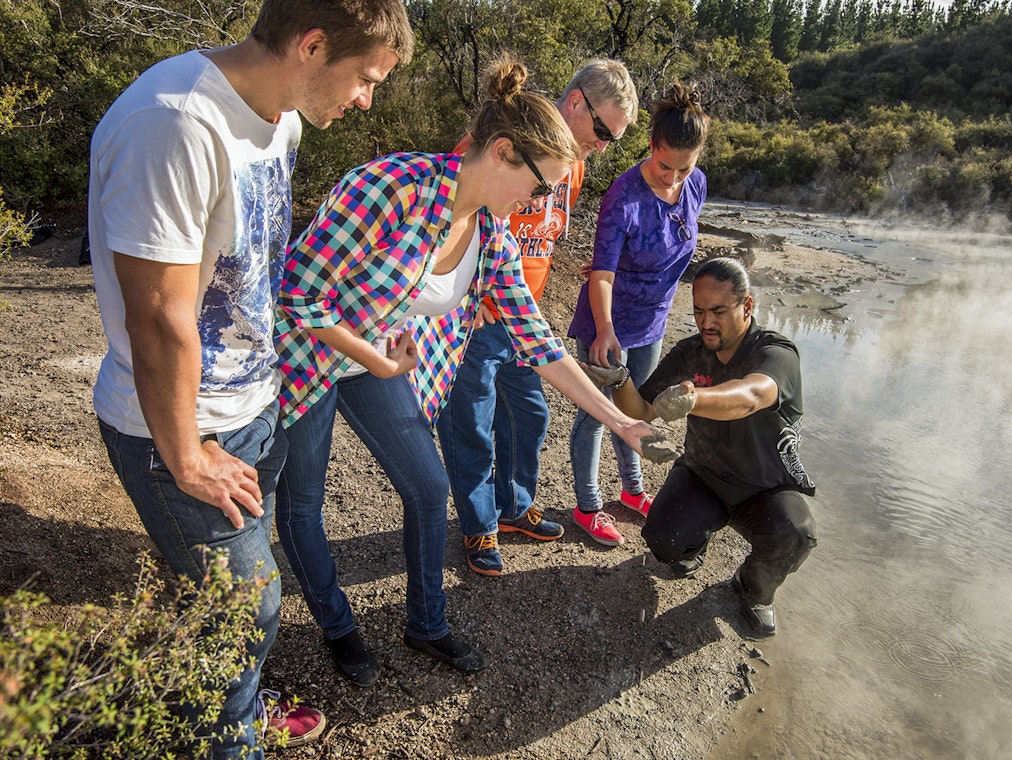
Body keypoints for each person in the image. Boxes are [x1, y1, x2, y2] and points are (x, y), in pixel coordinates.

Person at [274, 54, 664, 687]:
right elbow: (296, 294)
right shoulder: (390, 187)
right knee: (303, 506)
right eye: (540, 187)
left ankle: (426, 623)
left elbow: (536, 341)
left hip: (379, 357)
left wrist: (620, 420)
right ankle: (339, 627)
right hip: (310, 355)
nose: (541, 203)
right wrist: (375, 359)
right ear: (503, 153)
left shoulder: (491, 231)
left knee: (429, 490)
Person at [88, 1, 413, 756]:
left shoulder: (284, 119)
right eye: (365, 79)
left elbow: (253, 266)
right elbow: (161, 317)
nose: (366, 100)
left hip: (253, 407)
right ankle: (228, 740)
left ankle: (221, 702)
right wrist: (188, 454)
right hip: (178, 427)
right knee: (251, 605)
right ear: (311, 44)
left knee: (228, 600)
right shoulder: (173, 121)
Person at [437, 60, 639, 577]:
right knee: (474, 426)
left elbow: (542, 243)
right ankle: (478, 524)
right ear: (576, 102)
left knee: (531, 415)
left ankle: (513, 507)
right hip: (478, 319)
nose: (602, 144)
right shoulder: (499, 144)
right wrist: (469, 293)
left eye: (612, 139)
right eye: (601, 130)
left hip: (522, 314)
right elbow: (447, 227)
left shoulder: (573, 165)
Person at [582, 257, 818, 639]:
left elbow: (750, 395)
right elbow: (641, 409)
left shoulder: (776, 353)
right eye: (699, 310)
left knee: (795, 534)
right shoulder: (690, 353)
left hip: (764, 487)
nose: (707, 322)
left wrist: (694, 399)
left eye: (719, 311)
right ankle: (694, 547)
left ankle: (752, 588)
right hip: (704, 476)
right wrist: (621, 379)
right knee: (663, 540)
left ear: (748, 306)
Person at [566, 82, 710, 546]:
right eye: (664, 165)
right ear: (652, 146)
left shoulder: (697, 185)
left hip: (651, 324)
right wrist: (605, 329)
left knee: (638, 407)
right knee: (597, 415)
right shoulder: (623, 196)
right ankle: (587, 505)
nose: (672, 178)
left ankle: (632, 492)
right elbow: (602, 272)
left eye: (683, 169)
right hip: (606, 324)